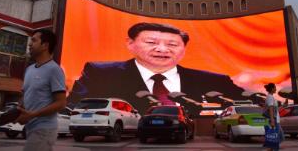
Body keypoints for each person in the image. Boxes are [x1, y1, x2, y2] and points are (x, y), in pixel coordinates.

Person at [67, 22, 245, 115]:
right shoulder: (100, 73)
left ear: (184, 49)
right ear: (130, 44)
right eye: (151, 42)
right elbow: (73, 108)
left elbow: (247, 104)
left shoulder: (214, 81)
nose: (162, 49)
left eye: (172, 44)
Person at [15, 29, 66, 151]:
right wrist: (19, 111)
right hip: (30, 128)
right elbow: (25, 95)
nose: (29, 44)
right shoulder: (30, 69)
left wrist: (33, 115)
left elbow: (61, 103)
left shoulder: (54, 70)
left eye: (34, 40)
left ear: (45, 45)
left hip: (44, 129)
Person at [263, 83, 284, 151]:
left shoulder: (271, 97)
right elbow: (271, 109)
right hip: (273, 120)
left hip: (276, 120)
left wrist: (284, 105)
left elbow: (275, 110)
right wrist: (272, 121)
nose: (276, 89)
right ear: (272, 89)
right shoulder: (270, 97)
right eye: (275, 87)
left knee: (278, 137)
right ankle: (272, 148)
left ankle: (271, 148)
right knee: (277, 137)